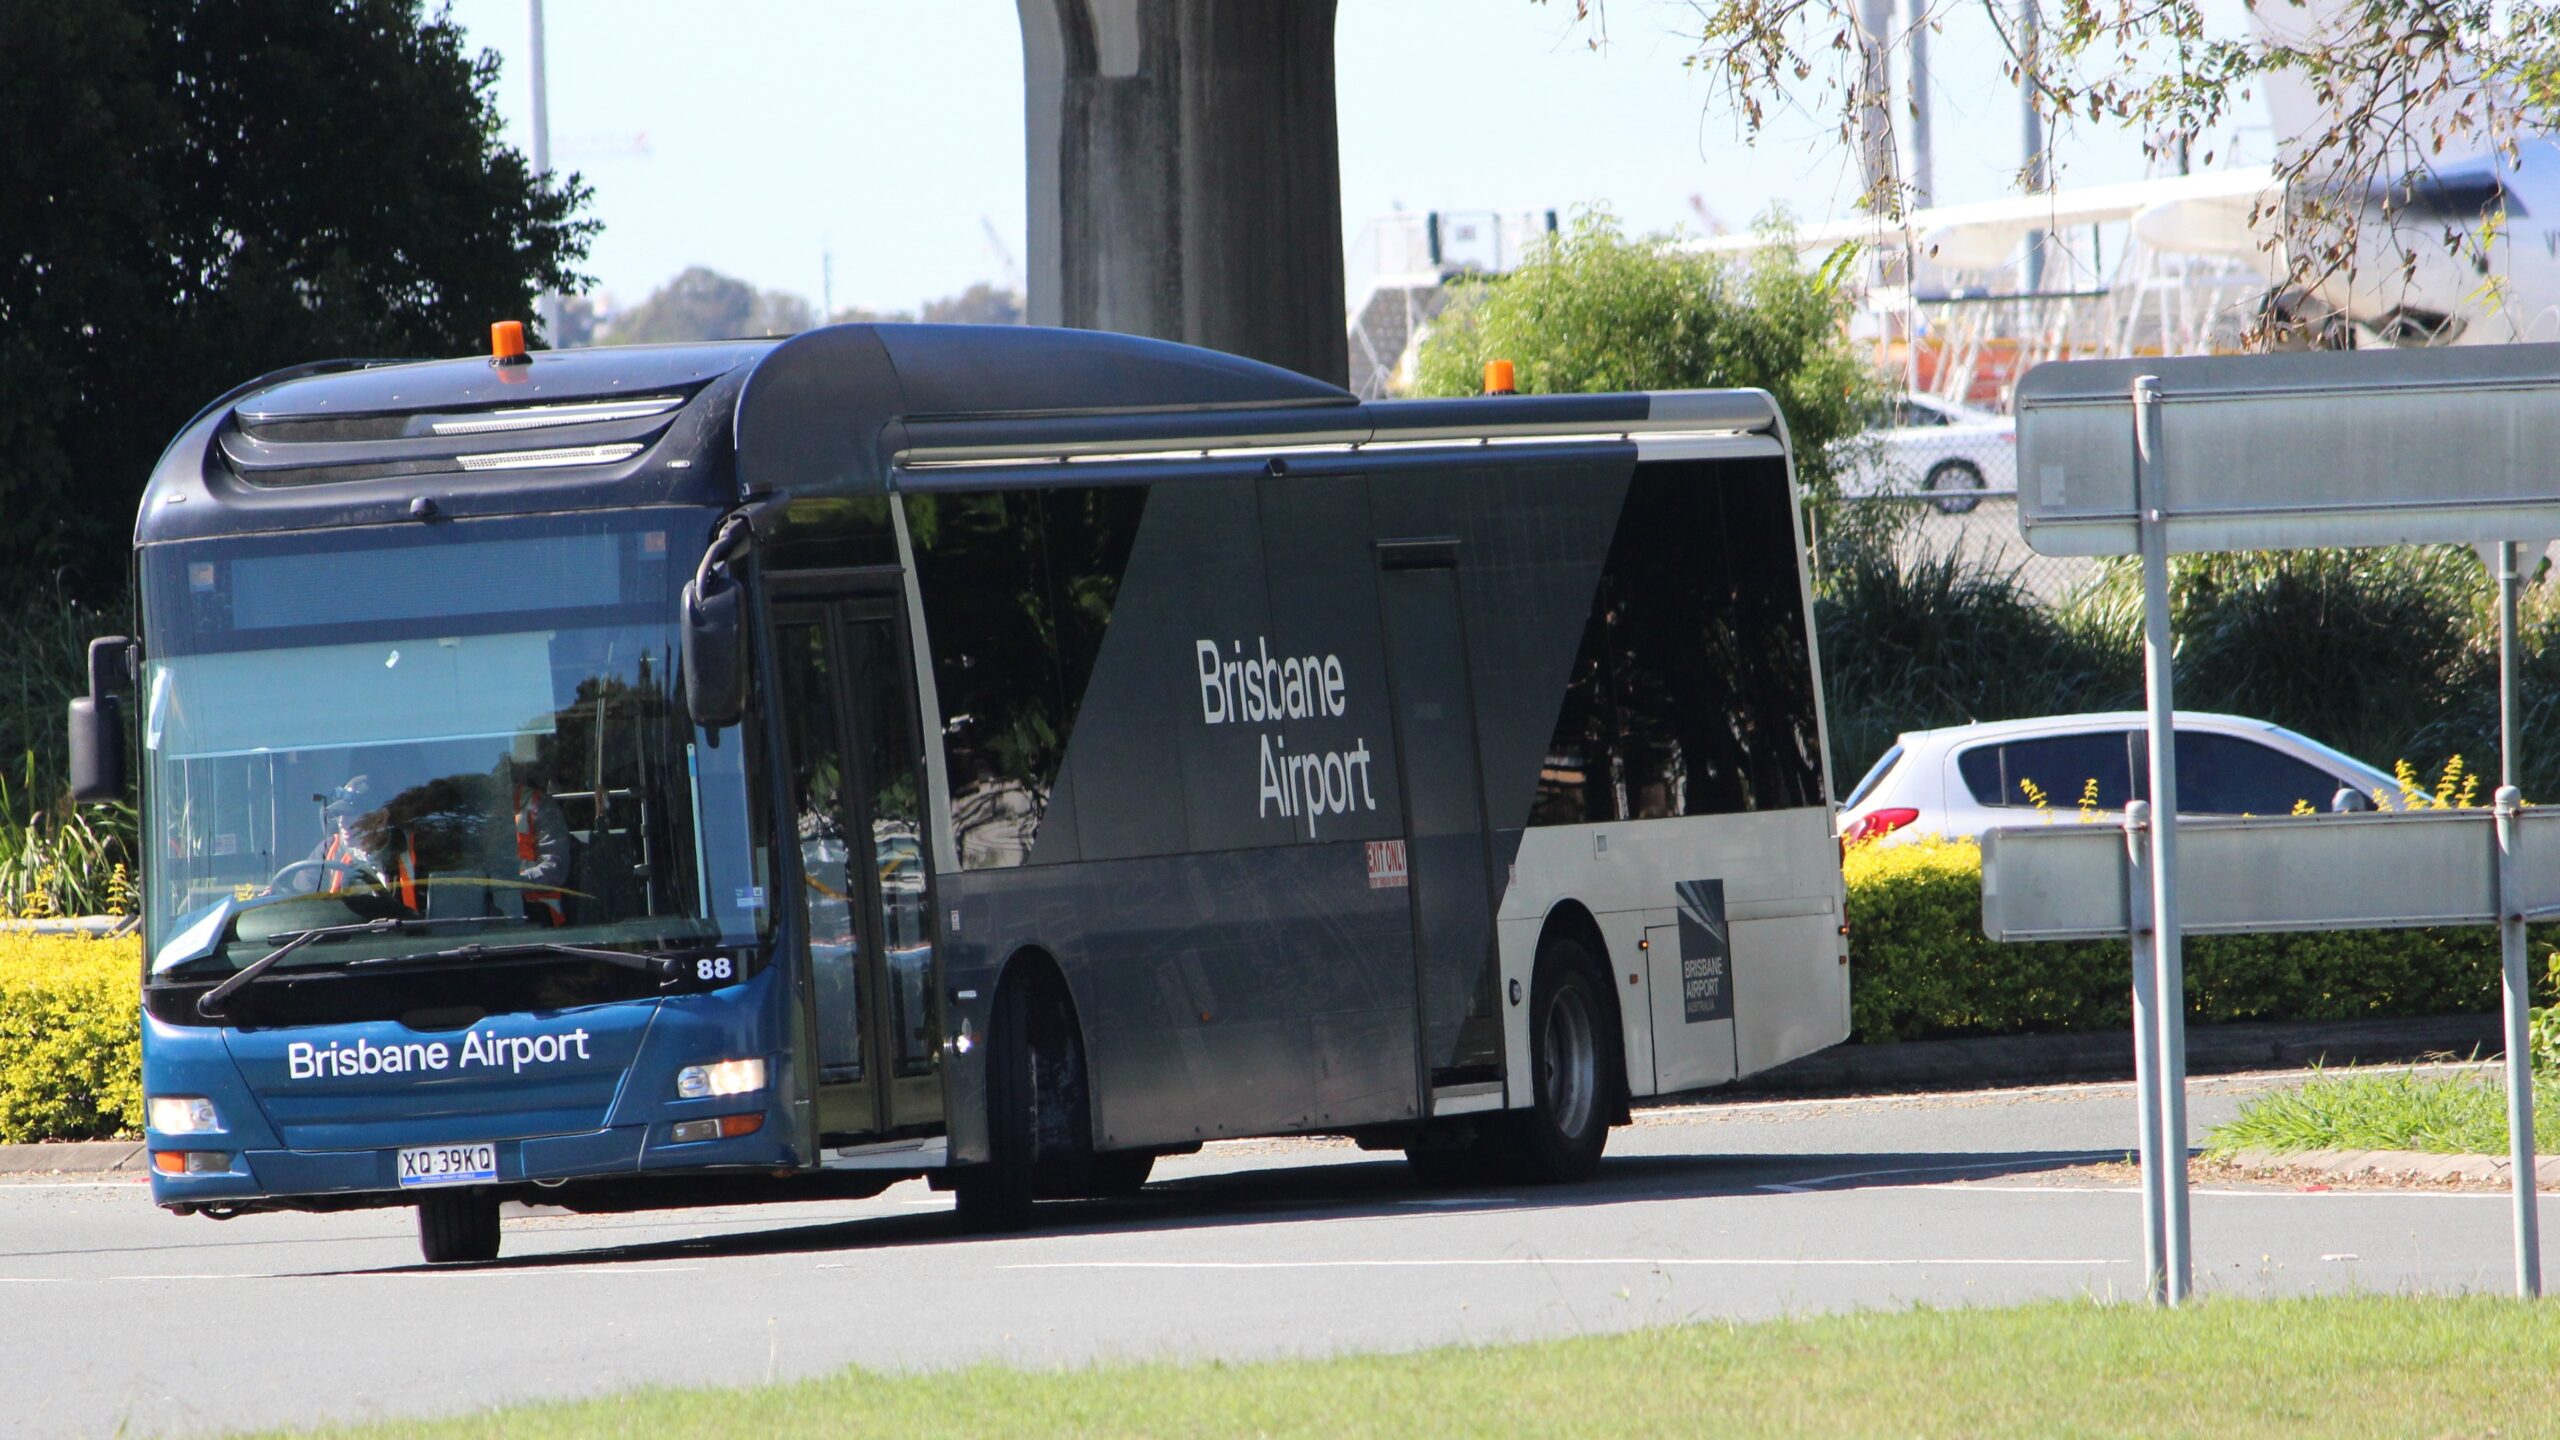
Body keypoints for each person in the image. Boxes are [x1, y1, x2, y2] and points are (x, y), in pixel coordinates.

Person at [504, 762, 571, 926]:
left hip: (537, 918)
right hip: (482, 917)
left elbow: (556, 867)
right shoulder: (472, 815)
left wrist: (515, 882)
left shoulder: (540, 806)